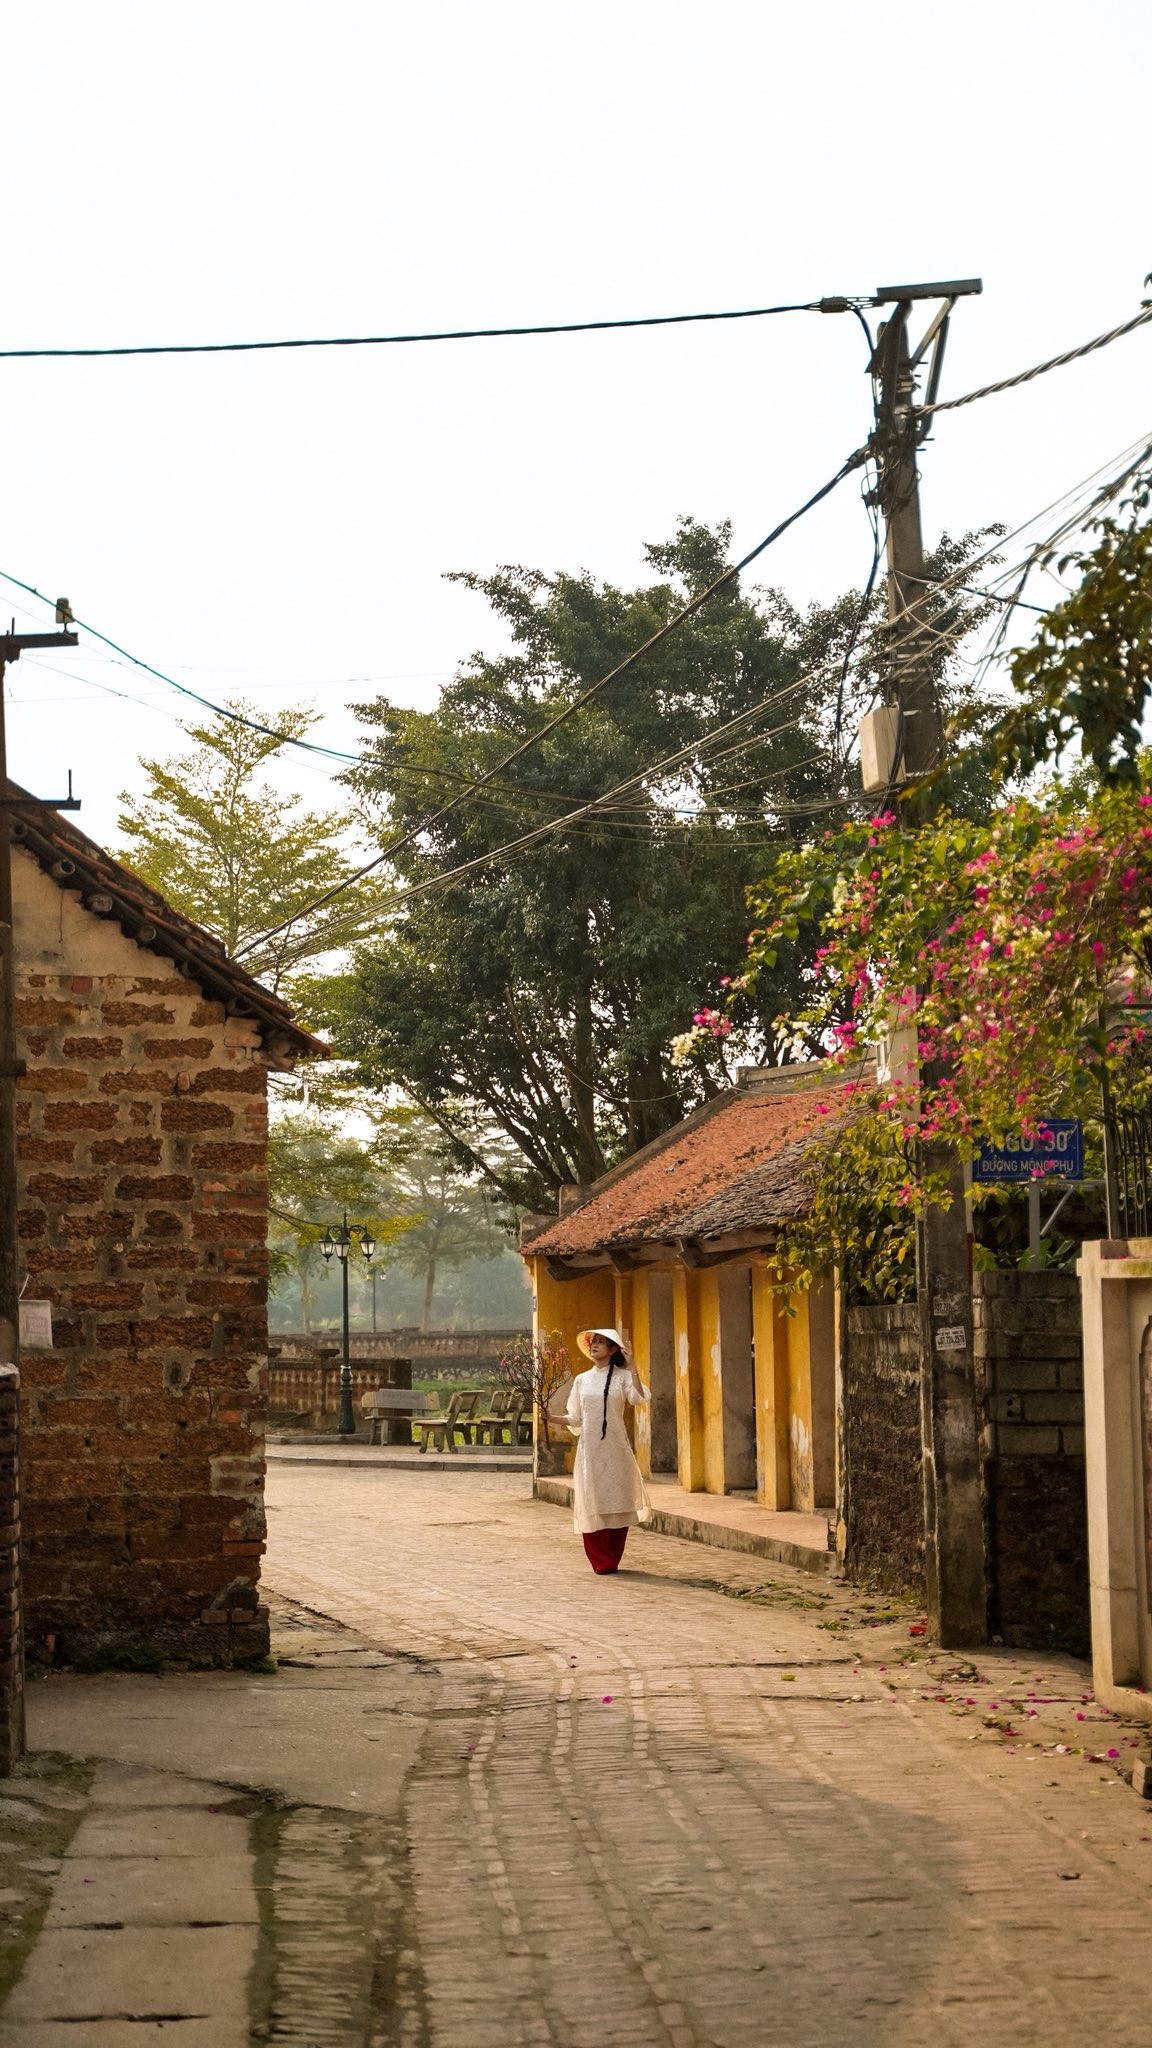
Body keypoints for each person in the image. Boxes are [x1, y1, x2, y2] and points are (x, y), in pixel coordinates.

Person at [565, 1328, 651, 1573]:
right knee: (593, 1499)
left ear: (613, 1349)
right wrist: (550, 1417)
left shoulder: (623, 1377)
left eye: (601, 1342)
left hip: (616, 1447)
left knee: (617, 1498)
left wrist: (633, 1365)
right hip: (590, 1450)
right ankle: (600, 1560)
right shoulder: (582, 1380)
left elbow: (639, 1397)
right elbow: (574, 1417)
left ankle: (613, 1556)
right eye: (594, 1341)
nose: (594, 1345)